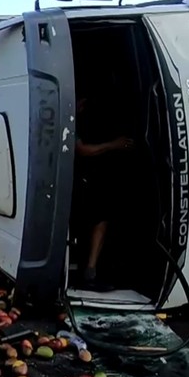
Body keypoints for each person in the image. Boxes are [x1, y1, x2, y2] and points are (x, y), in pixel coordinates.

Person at [74, 96, 134, 291]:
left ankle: (89, 271)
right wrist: (114, 145)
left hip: (90, 178)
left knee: (101, 219)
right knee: (97, 220)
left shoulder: (80, 119)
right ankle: (88, 273)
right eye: (81, 102)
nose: (83, 106)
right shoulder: (69, 120)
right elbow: (82, 150)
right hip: (77, 179)